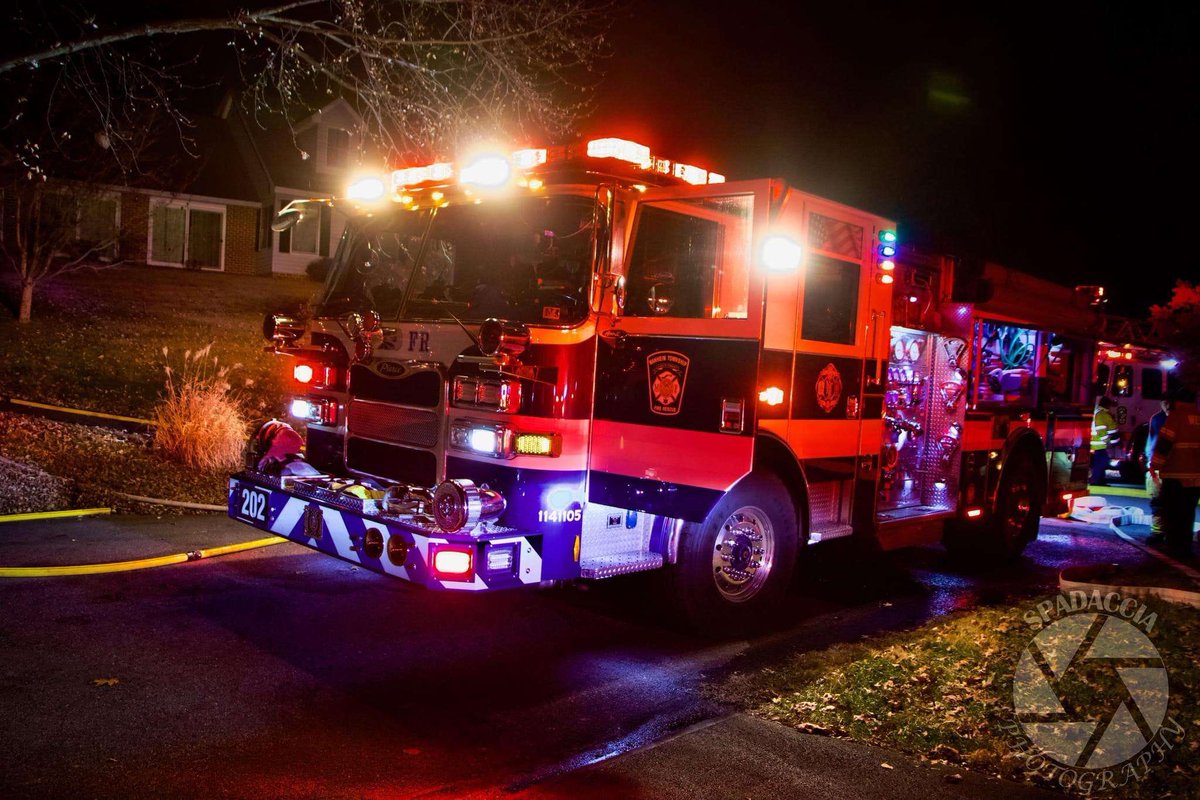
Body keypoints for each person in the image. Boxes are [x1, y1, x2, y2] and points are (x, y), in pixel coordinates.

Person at [1149, 391, 1200, 558]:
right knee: (1188, 514)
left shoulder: (1176, 417)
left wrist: (1154, 465)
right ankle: (1185, 548)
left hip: (1175, 476)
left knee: (1172, 513)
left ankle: (1174, 547)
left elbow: (1164, 444)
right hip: (1195, 478)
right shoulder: (1197, 416)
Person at [1144, 397, 1172, 534]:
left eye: (1167, 402)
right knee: (1157, 502)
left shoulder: (1170, 419)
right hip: (1159, 467)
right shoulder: (1156, 418)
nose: (1165, 405)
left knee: (1164, 502)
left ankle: (1162, 533)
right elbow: (1152, 441)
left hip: (1167, 467)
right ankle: (1158, 532)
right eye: (1164, 402)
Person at [1090, 396, 1118, 486]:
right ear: (1107, 405)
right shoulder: (1101, 414)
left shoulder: (1100, 413)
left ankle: (1099, 480)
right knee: (1101, 462)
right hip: (1100, 444)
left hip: (1099, 443)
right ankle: (1096, 480)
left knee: (1101, 462)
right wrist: (1108, 442)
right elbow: (1101, 430)